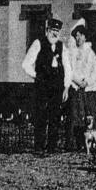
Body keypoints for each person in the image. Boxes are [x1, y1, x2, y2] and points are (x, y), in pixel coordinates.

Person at [22, 18, 72, 153]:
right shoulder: (38, 43)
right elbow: (26, 64)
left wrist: (66, 87)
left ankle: (51, 147)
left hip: (57, 86)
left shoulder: (62, 47)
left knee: (55, 116)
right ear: (47, 31)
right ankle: (39, 146)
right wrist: (37, 76)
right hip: (42, 86)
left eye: (57, 31)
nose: (54, 34)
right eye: (52, 30)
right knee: (41, 115)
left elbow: (68, 68)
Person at [65, 21, 96, 151]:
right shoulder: (71, 53)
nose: (78, 38)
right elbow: (69, 70)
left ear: (85, 37)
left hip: (88, 90)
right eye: (76, 36)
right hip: (76, 88)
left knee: (92, 115)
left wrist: (87, 82)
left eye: (80, 35)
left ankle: (94, 144)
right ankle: (75, 145)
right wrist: (77, 81)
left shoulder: (90, 53)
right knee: (75, 116)